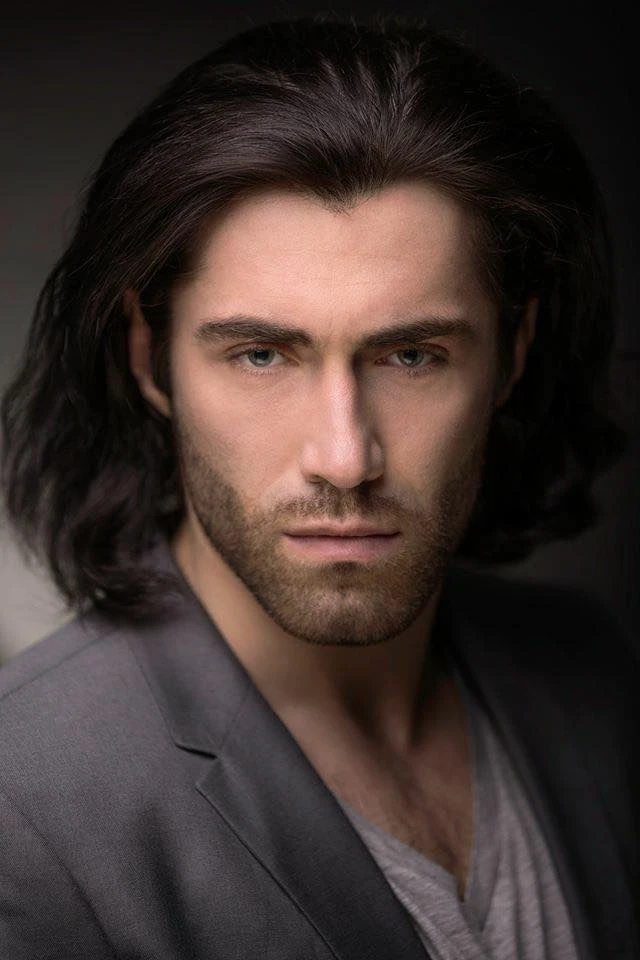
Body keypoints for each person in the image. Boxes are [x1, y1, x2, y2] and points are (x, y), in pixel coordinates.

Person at [0, 14, 637, 960]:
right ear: (149, 357)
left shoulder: (594, 675)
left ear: (513, 353)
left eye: (412, 356)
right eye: (261, 355)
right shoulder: (21, 804)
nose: (344, 457)